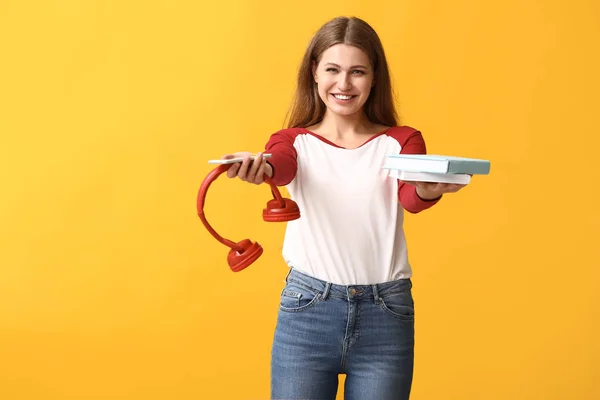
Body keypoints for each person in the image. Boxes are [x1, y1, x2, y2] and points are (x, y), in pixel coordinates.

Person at [221, 16, 467, 400]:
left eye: (357, 72)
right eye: (332, 70)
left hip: (386, 314)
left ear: (374, 78)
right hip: (307, 311)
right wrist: (260, 168)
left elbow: (410, 198)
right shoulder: (292, 141)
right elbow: (280, 165)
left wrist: (427, 189)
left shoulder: (403, 141)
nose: (344, 84)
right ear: (314, 74)